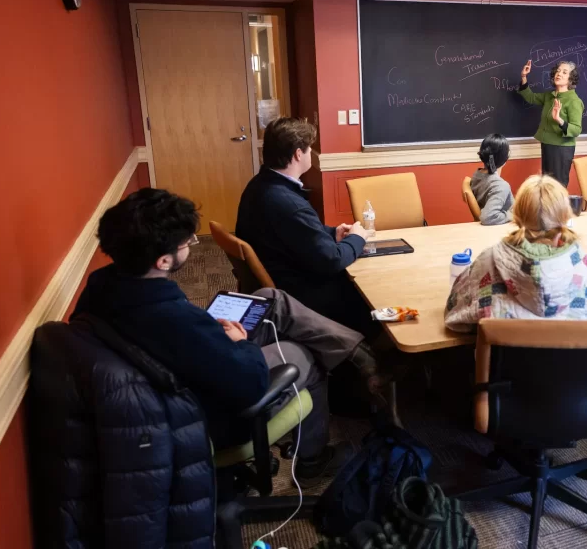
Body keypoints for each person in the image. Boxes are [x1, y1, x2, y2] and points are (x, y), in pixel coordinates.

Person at [74, 188, 368, 485]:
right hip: (209, 417)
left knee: (270, 299)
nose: (191, 244)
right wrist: (241, 345)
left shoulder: (101, 286)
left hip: (186, 373)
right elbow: (249, 386)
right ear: (163, 261)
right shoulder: (175, 320)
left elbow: (182, 344)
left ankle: (362, 356)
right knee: (302, 353)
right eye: (188, 241)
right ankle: (313, 460)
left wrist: (214, 335)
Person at [236, 117, 380, 340]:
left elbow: (292, 233)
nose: (311, 152)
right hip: (301, 291)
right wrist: (357, 238)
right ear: (297, 154)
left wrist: (331, 233)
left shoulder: (260, 185)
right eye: (309, 148)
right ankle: (377, 351)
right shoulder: (288, 203)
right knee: (371, 290)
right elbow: (331, 261)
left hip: (282, 273)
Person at [444, 175, 587, 332]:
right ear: (565, 217)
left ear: (517, 215)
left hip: (506, 356)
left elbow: (454, 312)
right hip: (570, 356)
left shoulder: (489, 261)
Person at [518, 59, 584, 187]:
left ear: (571, 79)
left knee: (557, 186)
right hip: (547, 144)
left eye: (564, 72)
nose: (559, 74)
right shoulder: (550, 96)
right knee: (546, 185)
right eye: (558, 71)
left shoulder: (574, 101)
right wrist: (524, 76)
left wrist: (559, 119)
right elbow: (530, 97)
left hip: (561, 149)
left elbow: (576, 130)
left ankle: (560, 208)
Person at [471, 133, 514, 226]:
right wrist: (514, 215)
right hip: (502, 230)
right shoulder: (501, 186)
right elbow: (488, 217)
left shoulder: (477, 175)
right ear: (505, 158)